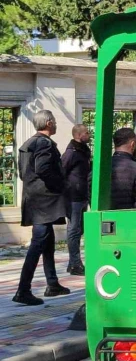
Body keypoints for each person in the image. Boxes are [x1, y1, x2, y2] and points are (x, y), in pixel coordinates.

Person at [13, 110, 70, 306]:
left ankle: (52, 284)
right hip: (45, 200)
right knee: (39, 242)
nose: (55, 124)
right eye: (54, 121)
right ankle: (23, 290)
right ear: (48, 123)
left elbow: (22, 173)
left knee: (48, 242)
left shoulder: (27, 143)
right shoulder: (44, 144)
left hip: (34, 197)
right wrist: (59, 185)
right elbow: (43, 168)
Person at [61, 124, 91, 276]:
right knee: (73, 230)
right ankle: (75, 263)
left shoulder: (84, 152)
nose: (89, 134)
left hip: (82, 196)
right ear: (79, 135)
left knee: (80, 230)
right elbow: (62, 172)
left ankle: (73, 262)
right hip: (73, 197)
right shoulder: (71, 153)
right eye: (87, 132)